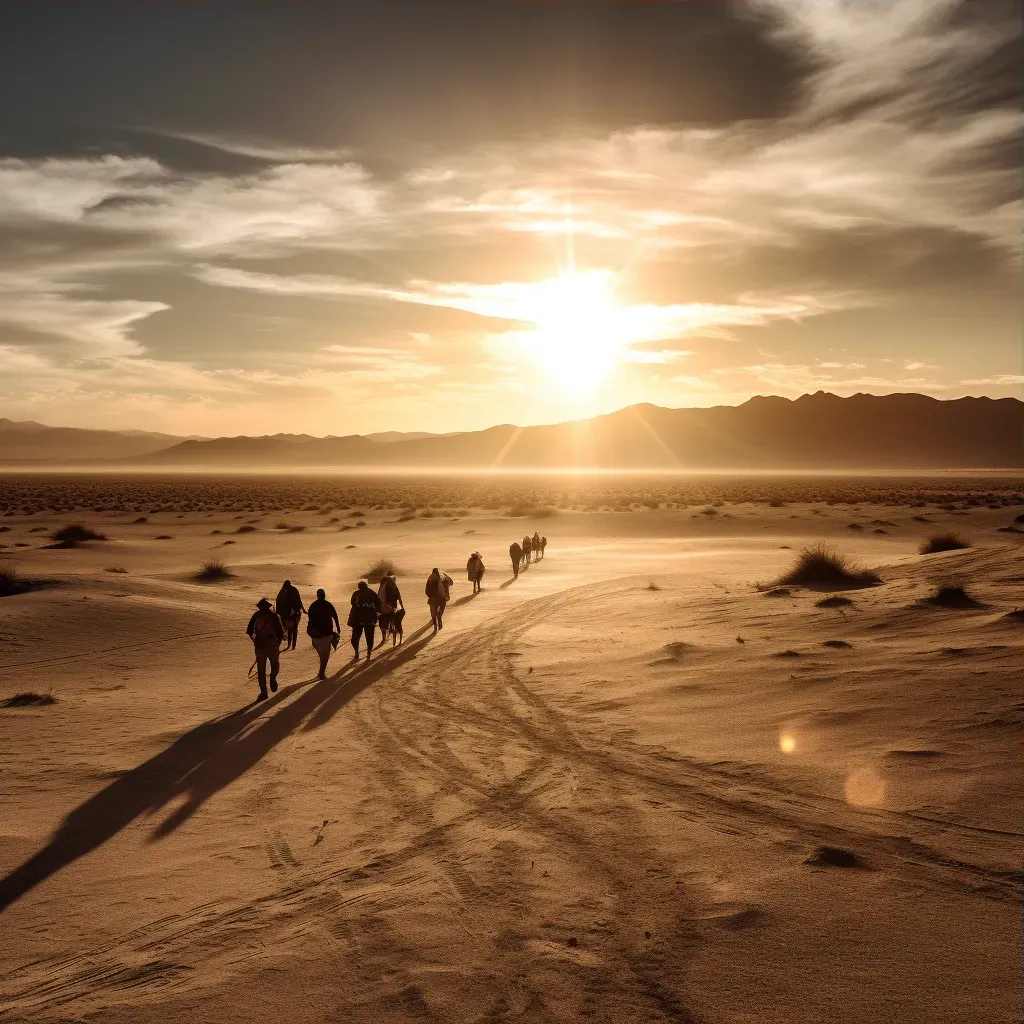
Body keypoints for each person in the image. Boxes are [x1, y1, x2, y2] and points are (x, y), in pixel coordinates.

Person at [246, 597, 284, 702]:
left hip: (260, 646)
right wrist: (277, 643)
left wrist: (255, 640)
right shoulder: (274, 616)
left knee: (261, 670)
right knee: (274, 664)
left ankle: (264, 692)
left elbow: (249, 631)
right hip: (271, 644)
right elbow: (280, 632)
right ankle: (272, 678)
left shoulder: (257, 615)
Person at [306, 587, 340, 680]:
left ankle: (321, 672)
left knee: (321, 654)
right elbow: (335, 616)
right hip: (326, 633)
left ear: (317, 595)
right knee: (326, 655)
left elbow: (310, 618)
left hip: (315, 634)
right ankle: (321, 673)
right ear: (324, 595)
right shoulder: (328, 604)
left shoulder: (313, 605)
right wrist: (338, 627)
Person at [275, 579, 305, 651]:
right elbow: (299, 600)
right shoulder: (294, 590)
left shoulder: (282, 591)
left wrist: (278, 614)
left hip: (287, 615)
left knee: (290, 629)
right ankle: (293, 645)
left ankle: (290, 644)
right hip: (295, 613)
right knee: (294, 629)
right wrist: (302, 609)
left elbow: (278, 602)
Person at [377, 573, 405, 647]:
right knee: (398, 622)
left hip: (385, 608)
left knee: (382, 622)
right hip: (394, 607)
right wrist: (402, 607)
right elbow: (399, 598)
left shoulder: (383, 587)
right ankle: (400, 637)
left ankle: (383, 638)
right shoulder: (395, 587)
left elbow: (379, 599)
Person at [425, 567, 452, 631]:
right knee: (441, 610)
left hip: (432, 598)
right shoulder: (443, 577)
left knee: (433, 612)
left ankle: (435, 624)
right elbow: (451, 582)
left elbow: (426, 590)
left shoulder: (430, 578)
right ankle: (439, 619)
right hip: (442, 598)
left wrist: (430, 596)